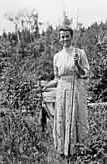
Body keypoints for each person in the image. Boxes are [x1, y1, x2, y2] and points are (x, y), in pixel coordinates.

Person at [43, 26, 90, 163]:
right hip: (61, 91)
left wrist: (77, 64)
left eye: (67, 36)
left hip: (75, 89)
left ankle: (78, 150)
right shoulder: (57, 57)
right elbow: (57, 79)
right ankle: (63, 152)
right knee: (62, 119)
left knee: (75, 116)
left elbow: (85, 75)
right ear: (59, 38)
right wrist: (45, 86)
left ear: (72, 36)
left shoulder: (79, 53)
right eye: (62, 36)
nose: (65, 39)